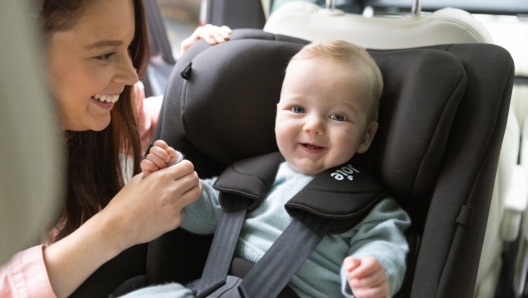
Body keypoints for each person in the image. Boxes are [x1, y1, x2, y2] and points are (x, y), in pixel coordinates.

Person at [131, 40, 411, 298]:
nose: (312, 125)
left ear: (365, 136)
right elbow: (203, 211)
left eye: (337, 116)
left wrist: (374, 271)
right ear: (278, 114)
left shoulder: (370, 205)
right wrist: (173, 174)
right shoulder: (252, 178)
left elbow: (387, 246)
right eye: (298, 109)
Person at [0, 0, 231, 297]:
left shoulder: (110, 110)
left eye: (129, 47)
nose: (131, 75)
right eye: (105, 54)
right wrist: (115, 227)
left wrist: (195, 74)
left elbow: (149, 123)